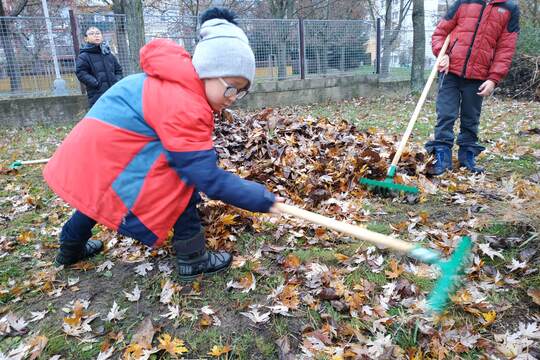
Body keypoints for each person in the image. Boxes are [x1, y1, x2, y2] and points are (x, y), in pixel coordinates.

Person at [44, 8, 281, 280]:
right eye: (231, 86)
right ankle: (193, 259)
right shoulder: (186, 104)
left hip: (98, 147)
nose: (233, 97)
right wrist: (260, 198)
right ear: (209, 71)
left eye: (241, 91)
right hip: (110, 148)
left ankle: (70, 246)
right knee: (181, 181)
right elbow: (205, 177)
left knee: (104, 188)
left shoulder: (175, 84)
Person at [425, 0, 520, 175]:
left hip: (479, 76)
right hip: (450, 72)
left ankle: (467, 156)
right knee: (446, 115)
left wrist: (493, 78)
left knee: (471, 118)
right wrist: (442, 54)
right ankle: (442, 154)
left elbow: (506, 49)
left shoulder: (509, 9)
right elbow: (440, 33)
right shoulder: (463, 2)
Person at [75, 26, 123, 107]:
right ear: (86, 39)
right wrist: (96, 83)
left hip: (114, 93)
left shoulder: (108, 54)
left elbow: (118, 70)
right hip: (97, 95)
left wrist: (116, 81)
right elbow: (81, 72)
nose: (96, 35)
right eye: (92, 33)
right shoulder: (84, 56)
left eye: (98, 33)